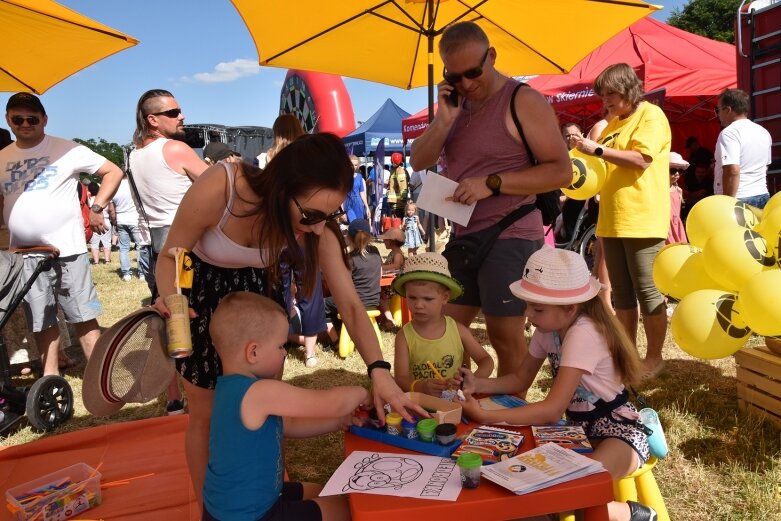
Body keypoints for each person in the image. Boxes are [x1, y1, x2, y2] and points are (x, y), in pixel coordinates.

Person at [153, 133, 424, 507]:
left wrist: (378, 368)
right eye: (311, 215)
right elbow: (170, 255)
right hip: (202, 298)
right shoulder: (224, 185)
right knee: (205, 414)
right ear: (282, 187)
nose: (317, 228)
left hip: (260, 304)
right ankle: (208, 508)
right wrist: (173, 302)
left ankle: (266, 493)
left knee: (266, 407)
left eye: (329, 217)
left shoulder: (317, 229)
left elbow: (350, 303)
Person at [409, 21, 571, 377]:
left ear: (491, 56)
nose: (466, 84)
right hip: (465, 233)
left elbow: (562, 171)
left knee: (504, 334)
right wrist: (444, 118)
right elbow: (418, 160)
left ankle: (508, 415)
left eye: (473, 72)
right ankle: (463, 406)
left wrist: (493, 183)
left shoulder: (522, 99)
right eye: (456, 76)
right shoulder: (455, 106)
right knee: (445, 328)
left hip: (512, 230)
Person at [457, 246, 655, 521]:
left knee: (573, 490)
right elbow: (519, 379)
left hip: (618, 432)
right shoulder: (548, 330)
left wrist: (486, 415)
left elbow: (551, 409)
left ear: (570, 309)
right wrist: (478, 383)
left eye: (537, 308)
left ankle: (635, 515)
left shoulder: (583, 332)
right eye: (527, 305)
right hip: (575, 429)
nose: (528, 315)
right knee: (537, 486)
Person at [203, 291, 368, 521]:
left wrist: (338, 422)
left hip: (230, 508)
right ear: (253, 352)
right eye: (281, 346)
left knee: (319, 491)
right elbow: (331, 403)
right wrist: (363, 391)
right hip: (253, 515)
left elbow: (287, 425)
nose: (284, 354)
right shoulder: (260, 392)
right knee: (343, 508)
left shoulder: (228, 388)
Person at [0, 92, 123, 376]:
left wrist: (97, 207)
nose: (25, 124)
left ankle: (98, 375)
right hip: (25, 253)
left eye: (32, 118)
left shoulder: (68, 149)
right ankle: (51, 376)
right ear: (8, 121)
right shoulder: (3, 157)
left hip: (69, 251)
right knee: (40, 317)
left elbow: (113, 172)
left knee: (84, 313)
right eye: (18, 119)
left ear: (44, 119)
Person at [573, 63, 672, 379]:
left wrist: (597, 148)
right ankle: (629, 354)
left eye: (610, 94)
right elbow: (597, 165)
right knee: (623, 295)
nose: (606, 102)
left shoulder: (652, 116)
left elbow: (641, 160)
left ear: (628, 88)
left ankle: (654, 358)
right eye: (603, 96)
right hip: (612, 219)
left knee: (648, 291)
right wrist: (578, 144)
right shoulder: (614, 121)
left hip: (642, 218)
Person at [129, 89, 208, 292]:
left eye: (179, 111)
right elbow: (220, 185)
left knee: (171, 306)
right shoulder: (174, 148)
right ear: (153, 120)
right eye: (173, 113)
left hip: (155, 245)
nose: (181, 117)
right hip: (186, 247)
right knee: (189, 307)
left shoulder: (134, 155)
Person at [392, 253, 493, 397]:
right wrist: (421, 387)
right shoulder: (404, 336)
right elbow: (401, 378)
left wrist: (472, 380)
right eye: (412, 297)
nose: (418, 305)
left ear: (444, 297)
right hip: (421, 405)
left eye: (428, 299)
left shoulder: (458, 330)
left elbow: (486, 361)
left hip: (457, 404)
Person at [323, 219, 382, 344]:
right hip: (373, 300)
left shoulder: (351, 258)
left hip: (356, 302)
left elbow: (344, 286)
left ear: (348, 236)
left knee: (321, 305)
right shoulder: (376, 252)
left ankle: (335, 340)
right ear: (369, 236)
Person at [713, 88, 772, 209]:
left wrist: (728, 204)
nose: (717, 114)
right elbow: (765, 166)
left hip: (739, 198)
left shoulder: (729, 133)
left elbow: (732, 170)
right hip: (761, 194)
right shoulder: (763, 132)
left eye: (717, 110)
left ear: (728, 110)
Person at [111, 175, 143, 281]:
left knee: (123, 248)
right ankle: (141, 273)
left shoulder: (114, 186)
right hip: (135, 219)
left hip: (121, 220)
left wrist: (114, 221)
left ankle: (126, 274)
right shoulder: (134, 185)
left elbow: (111, 209)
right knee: (140, 247)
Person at [378, 227, 405, 329]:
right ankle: (384, 318)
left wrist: (380, 267)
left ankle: (390, 320)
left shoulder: (397, 254)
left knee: (379, 297)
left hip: (395, 286)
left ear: (391, 242)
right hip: (390, 284)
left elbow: (396, 266)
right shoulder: (392, 253)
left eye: (385, 240)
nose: (384, 241)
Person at [87, 182, 113, 265]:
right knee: (107, 242)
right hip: (106, 221)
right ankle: (107, 260)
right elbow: (111, 210)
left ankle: (96, 261)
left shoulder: (89, 200)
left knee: (94, 244)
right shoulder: (105, 199)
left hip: (93, 224)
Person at [667, 152, 689, 245]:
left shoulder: (678, 190)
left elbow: (677, 212)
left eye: (680, 171)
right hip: (665, 225)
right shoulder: (660, 190)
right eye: (672, 170)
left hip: (676, 224)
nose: (677, 174)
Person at [343, 154, 370, 223]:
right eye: (352, 165)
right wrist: (342, 211)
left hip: (358, 203)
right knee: (353, 223)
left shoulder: (359, 176)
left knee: (359, 225)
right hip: (348, 204)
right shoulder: (344, 177)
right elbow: (341, 195)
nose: (354, 167)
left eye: (356, 165)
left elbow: (362, 193)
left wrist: (367, 207)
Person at [386, 152, 409, 218]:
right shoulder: (394, 170)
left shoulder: (400, 171)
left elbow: (403, 185)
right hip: (395, 202)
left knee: (398, 221)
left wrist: (403, 197)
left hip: (398, 203)